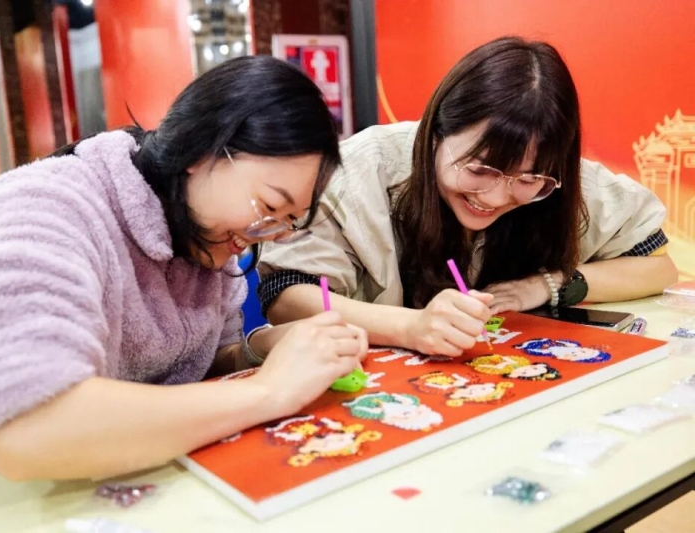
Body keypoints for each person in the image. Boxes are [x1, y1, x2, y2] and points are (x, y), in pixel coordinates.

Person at [0, 56, 368, 481]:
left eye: (288, 221)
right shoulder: (47, 206)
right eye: (269, 206)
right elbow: (22, 427)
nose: (264, 234)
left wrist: (264, 348)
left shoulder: (206, 244)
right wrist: (268, 391)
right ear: (200, 150)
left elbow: (205, 366)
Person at [257, 36, 677, 358]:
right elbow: (287, 297)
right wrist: (409, 326)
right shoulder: (358, 170)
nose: (494, 197)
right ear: (435, 133)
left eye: (527, 178)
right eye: (479, 169)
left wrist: (546, 285)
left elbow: (658, 267)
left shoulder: (565, 183)